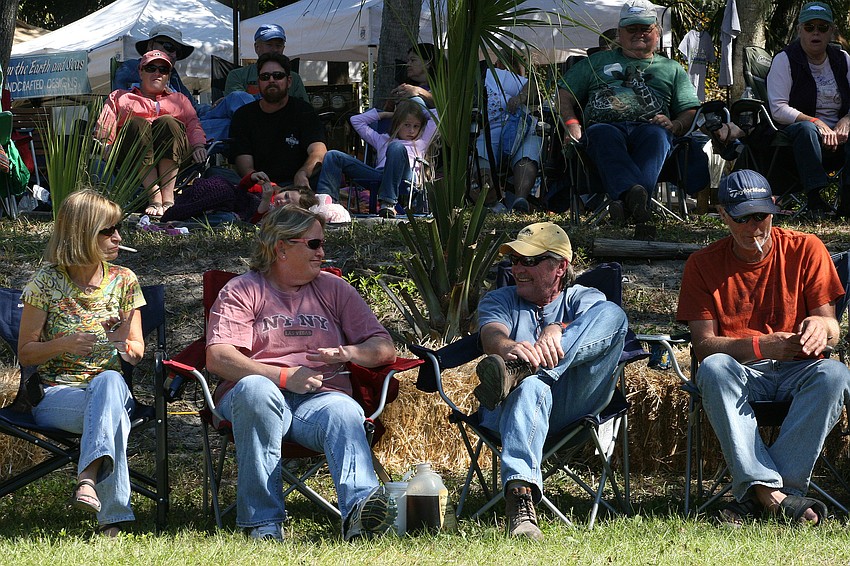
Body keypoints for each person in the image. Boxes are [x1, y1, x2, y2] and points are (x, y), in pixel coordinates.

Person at [205, 204, 398, 541]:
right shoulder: (242, 290)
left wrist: (348, 352)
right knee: (256, 390)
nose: (322, 252)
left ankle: (361, 516)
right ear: (281, 247)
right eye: (313, 244)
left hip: (319, 402)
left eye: (322, 244)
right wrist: (281, 377)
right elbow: (218, 357)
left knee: (343, 411)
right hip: (253, 401)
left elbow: (384, 347)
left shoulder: (334, 289)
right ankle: (263, 523)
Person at [677, 169, 850, 525]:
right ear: (723, 215)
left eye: (762, 215)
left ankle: (762, 496)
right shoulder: (702, 264)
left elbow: (832, 327)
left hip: (800, 369)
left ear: (774, 208)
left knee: (835, 373)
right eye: (743, 217)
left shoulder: (807, 248)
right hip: (742, 373)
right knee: (714, 368)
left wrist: (822, 326)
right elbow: (704, 347)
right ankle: (777, 498)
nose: (755, 226)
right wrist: (761, 347)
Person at [472, 222, 628, 540]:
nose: (518, 268)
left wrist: (559, 327)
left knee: (614, 314)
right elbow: (491, 336)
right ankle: (520, 503)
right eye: (514, 260)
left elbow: (604, 324)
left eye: (529, 260)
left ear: (560, 267)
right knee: (530, 389)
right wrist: (510, 348)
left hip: (571, 404)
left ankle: (525, 371)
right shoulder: (499, 299)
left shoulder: (584, 297)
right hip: (507, 408)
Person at [17, 189, 146, 537]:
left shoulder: (124, 280)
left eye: (118, 228)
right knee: (112, 410)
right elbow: (26, 353)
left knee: (109, 382)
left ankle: (87, 479)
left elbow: (137, 352)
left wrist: (121, 343)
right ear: (80, 233)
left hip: (111, 391)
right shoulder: (46, 283)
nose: (118, 237)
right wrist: (63, 344)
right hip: (57, 397)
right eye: (107, 230)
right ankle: (113, 519)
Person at [558, 0, 700, 225]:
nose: (639, 34)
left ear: (657, 31)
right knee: (602, 134)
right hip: (604, 129)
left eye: (645, 28)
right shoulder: (596, 62)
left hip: (651, 129)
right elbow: (563, 94)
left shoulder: (671, 68)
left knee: (657, 136)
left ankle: (625, 202)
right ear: (620, 33)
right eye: (631, 29)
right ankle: (636, 204)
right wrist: (572, 122)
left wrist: (676, 125)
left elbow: (689, 109)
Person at [95, 50, 207, 218]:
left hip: (176, 154)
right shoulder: (120, 97)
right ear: (140, 72)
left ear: (168, 75)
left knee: (167, 121)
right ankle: (155, 196)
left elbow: (193, 125)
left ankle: (168, 198)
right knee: (136, 122)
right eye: (151, 68)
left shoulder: (180, 99)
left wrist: (199, 146)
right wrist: (105, 145)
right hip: (131, 156)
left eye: (163, 70)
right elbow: (105, 126)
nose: (157, 73)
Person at [766, 1, 850, 215]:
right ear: (799, 30)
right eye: (809, 27)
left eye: (822, 27)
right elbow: (777, 108)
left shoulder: (844, 59)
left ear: (831, 31)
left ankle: (847, 202)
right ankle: (815, 200)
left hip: (841, 135)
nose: (816, 33)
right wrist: (814, 121)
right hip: (799, 135)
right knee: (807, 130)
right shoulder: (784, 59)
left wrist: (847, 119)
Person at [316, 99, 437, 217]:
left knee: (396, 147)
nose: (411, 130)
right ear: (397, 123)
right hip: (380, 176)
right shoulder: (382, 140)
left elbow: (437, 116)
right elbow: (356, 120)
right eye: (406, 124)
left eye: (416, 126)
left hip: (405, 178)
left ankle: (388, 203)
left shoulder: (421, 142)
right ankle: (326, 204)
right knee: (333, 155)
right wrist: (387, 114)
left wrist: (417, 109)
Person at [230, 53, 327, 191]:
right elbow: (245, 167)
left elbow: (319, 151)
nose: (271, 80)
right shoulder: (243, 115)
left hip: (298, 186)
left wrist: (303, 173)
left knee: (332, 163)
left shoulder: (304, 111)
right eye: (265, 77)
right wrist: (265, 186)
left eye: (278, 76)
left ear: (289, 81)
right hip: (260, 187)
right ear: (259, 83)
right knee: (216, 174)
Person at [475, 53, 543, 213]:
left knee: (527, 153)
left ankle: (520, 201)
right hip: (487, 133)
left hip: (520, 131)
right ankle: (492, 204)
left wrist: (521, 97)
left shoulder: (490, 74)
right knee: (481, 157)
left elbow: (532, 86)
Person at [225, 24, 308, 103]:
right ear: (257, 47)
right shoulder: (237, 75)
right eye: (269, 45)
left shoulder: (294, 78)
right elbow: (237, 106)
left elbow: (304, 109)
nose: (275, 49)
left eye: (278, 45)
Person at [114, 24, 195, 101]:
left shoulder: (173, 75)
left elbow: (193, 105)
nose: (174, 55)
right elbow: (122, 105)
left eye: (178, 52)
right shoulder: (131, 68)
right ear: (150, 45)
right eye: (169, 47)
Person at [389, 43, 441, 109]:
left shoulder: (444, 87)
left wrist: (418, 91)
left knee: (415, 100)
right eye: (408, 61)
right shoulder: (405, 86)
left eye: (413, 60)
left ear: (428, 63)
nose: (408, 64)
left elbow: (444, 106)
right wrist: (392, 100)